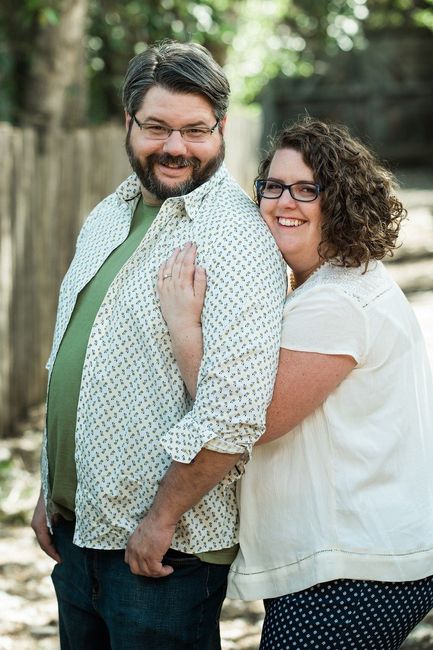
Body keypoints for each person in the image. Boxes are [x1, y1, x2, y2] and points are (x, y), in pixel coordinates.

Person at [31, 41, 287, 650]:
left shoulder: (236, 238)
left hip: (161, 555)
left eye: (196, 130)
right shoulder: (107, 214)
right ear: (129, 123)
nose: (176, 148)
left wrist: (161, 521)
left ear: (221, 129)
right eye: (157, 127)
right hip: (79, 533)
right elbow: (76, 365)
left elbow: (234, 413)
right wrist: (50, 488)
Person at [157, 117, 433, 649]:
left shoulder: (337, 300)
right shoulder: (332, 283)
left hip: (356, 569)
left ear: (344, 199)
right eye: (275, 186)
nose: (286, 202)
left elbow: (253, 419)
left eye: (309, 189)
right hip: (355, 560)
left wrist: (184, 327)